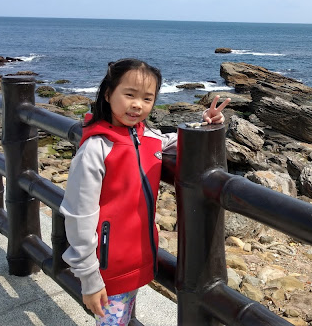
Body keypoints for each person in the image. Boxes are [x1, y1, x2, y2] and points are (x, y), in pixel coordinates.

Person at [60, 58, 230, 325]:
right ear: (108, 94)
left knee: (125, 319)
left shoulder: (147, 137)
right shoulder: (96, 149)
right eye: (129, 95)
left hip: (137, 262)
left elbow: (173, 141)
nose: (138, 105)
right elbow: (78, 216)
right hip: (107, 270)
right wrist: (89, 278)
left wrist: (205, 123)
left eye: (147, 99)